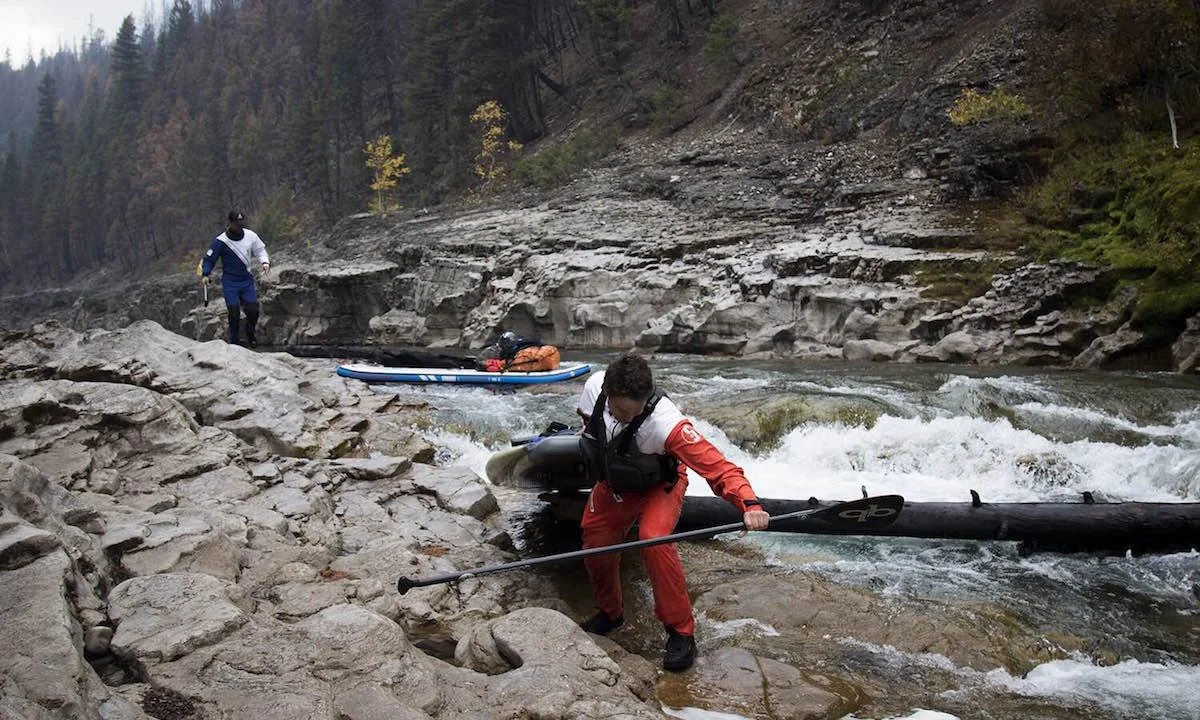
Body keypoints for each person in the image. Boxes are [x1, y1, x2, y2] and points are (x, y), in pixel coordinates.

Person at [575, 352, 770, 672]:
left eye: (637, 411)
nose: (631, 417)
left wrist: (749, 504)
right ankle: (610, 613)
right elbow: (589, 426)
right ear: (607, 394)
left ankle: (681, 632)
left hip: (661, 484)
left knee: (653, 539)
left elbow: (720, 469)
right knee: (596, 543)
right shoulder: (594, 387)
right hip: (616, 481)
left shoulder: (667, 423)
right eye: (624, 412)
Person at [200, 210, 270, 347]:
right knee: (233, 313)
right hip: (230, 282)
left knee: (253, 310)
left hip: (246, 280)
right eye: (237, 224)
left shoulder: (251, 236)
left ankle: (250, 333)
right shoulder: (221, 241)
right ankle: (234, 342)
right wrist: (206, 274)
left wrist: (265, 262)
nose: (239, 226)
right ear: (230, 223)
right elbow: (208, 260)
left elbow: (260, 250)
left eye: (241, 223)